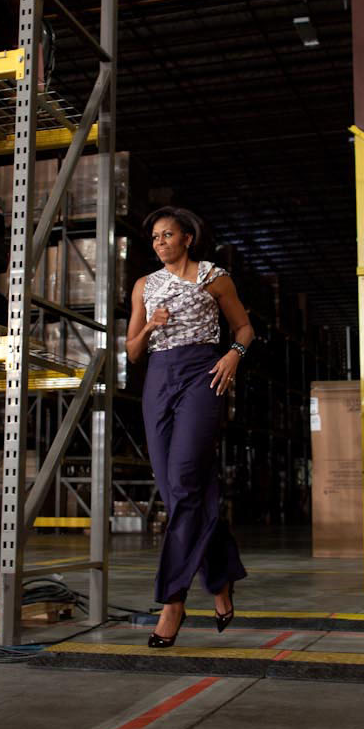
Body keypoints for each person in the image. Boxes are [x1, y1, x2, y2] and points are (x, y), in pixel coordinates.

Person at [126, 207, 253, 649]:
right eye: (155, 237)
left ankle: (172, 601)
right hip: (159, 378)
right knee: (181, 488)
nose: (160, 242)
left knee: (183, 482)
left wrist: (233, 355)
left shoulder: (212, 276)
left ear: (187, 238)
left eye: (167, 235)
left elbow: (244, 328)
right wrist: (149, 327)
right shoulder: (144, 285)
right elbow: (132, 351)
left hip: (203, 373)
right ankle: (220, 580)